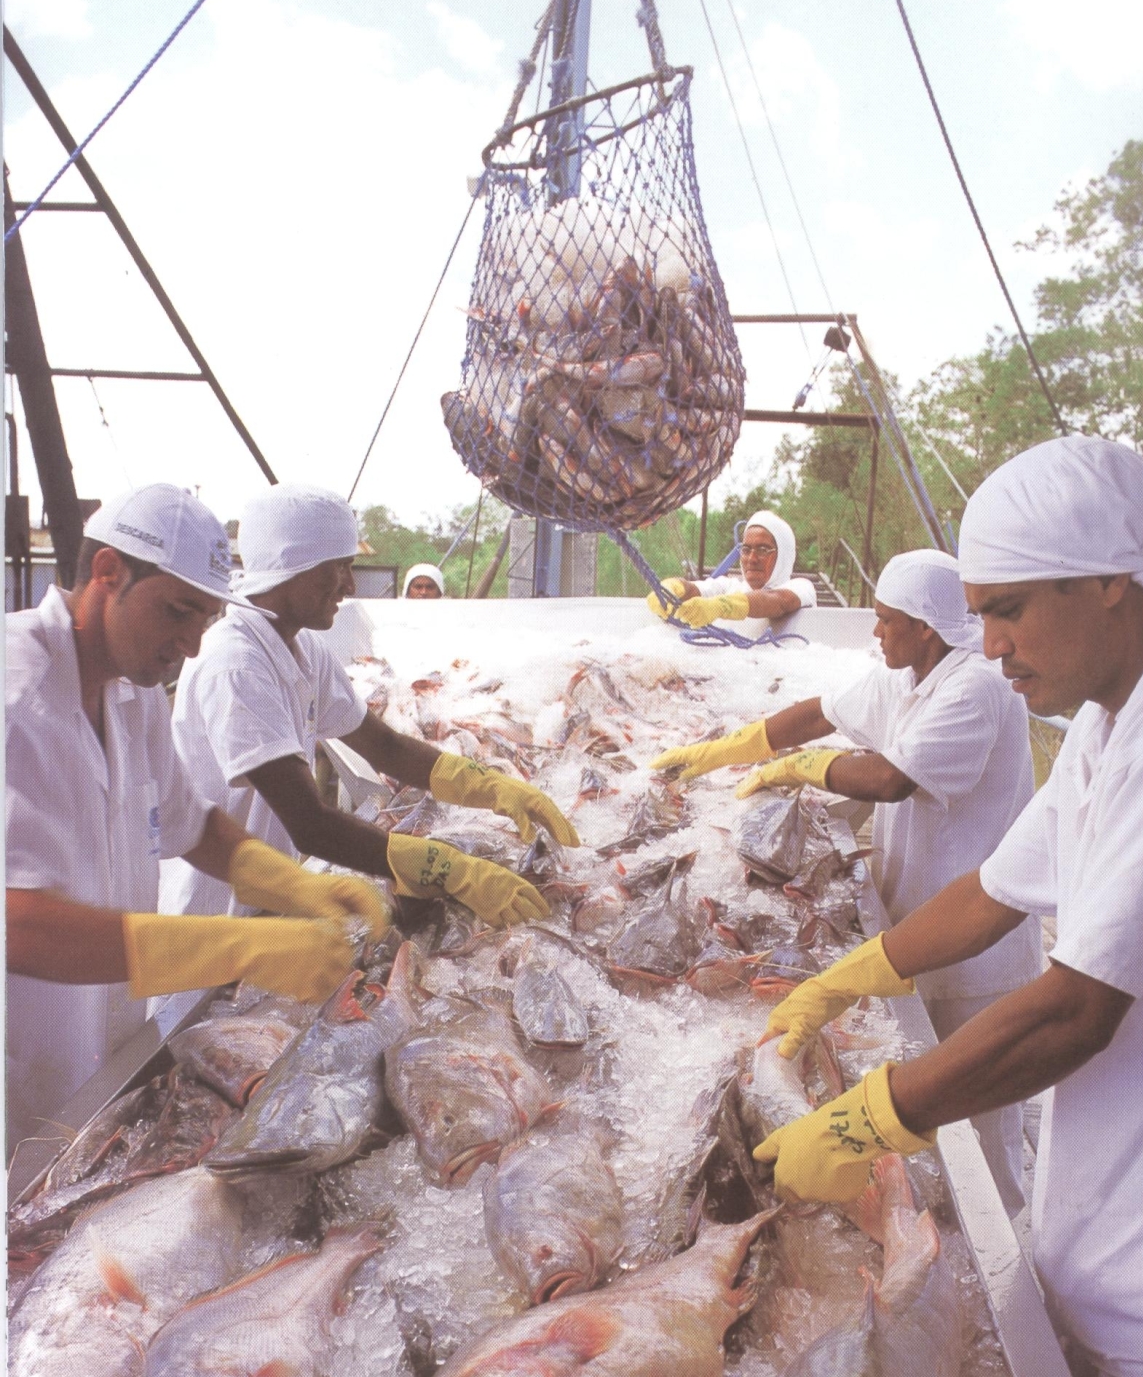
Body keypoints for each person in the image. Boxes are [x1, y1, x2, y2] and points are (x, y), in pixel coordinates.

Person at [749, 436, 1143, 1377]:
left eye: (1007, 610)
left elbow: (1078, 1009)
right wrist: (847, 978)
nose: (989, 645)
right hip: (1112, 1240)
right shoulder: (1109, 721)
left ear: (1109, 584)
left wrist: (872, 1119)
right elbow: (997, 889)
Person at [651, 547, 1042, 1215]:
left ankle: (1021, 1261)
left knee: (988, 1123)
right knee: (937, 1112)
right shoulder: (908, 671)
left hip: (981, 952)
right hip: (916, 928)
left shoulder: (977, 686)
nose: (875, 631)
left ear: (927, 626)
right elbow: (819, 710)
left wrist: (804, 771)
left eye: (888, 620)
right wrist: (733, 750)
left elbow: (890, 780)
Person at [5, 485, 389, 1156]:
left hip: (103, 1055)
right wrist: (235, 947)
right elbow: (19, 924)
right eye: (176, 612)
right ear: (106, 574)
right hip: (21, 1064)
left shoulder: (135, 689)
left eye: (203, 620)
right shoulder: (18, 696)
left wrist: (293, 888)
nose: (187, 644)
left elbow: (192, 825)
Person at [161, 483, 578, 961]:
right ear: (291, 569)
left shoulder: (302, 648)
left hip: (274, 907)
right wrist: (448, 869)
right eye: (337, 568)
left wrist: (490, 787)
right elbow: (309, 824)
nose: (350, 586)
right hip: (216, 920)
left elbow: (383, 746)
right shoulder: (235, 663)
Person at [644, 509, 816, 637]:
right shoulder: (730, 587)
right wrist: (672, 588)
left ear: (784, 554)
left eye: (763, 550)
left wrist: (722, 607)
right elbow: (697, 589)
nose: (752, 559)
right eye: (746, 549)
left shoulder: (801, 587)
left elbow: (779, 601)